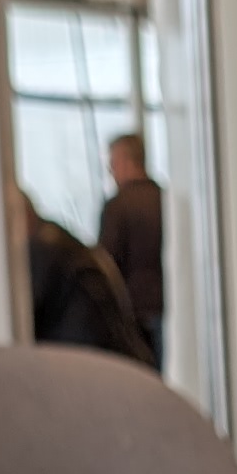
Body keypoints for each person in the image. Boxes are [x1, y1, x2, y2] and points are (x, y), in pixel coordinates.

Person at [21, 190, 149, 365]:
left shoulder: (43, 250)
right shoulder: (61, 242)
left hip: (86, 355)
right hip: (111, 353)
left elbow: (26, 313)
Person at [98, 131, 165, 361]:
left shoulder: (117, 206)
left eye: (112, 164)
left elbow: (107, 262)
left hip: (134, 313)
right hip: (169, 308)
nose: (111, 172)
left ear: (126, 162)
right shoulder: (164, 200)